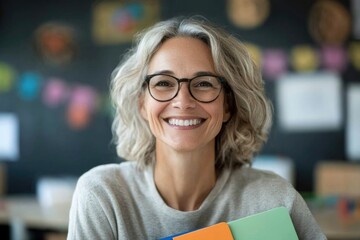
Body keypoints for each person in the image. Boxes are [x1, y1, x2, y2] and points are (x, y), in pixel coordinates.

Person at [67, 16, 326, 239]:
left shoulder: (274, 201)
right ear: (142, 104)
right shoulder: (103, 195)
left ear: (227, 106)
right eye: (163, 83)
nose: (183, 101)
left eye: (203, 83)